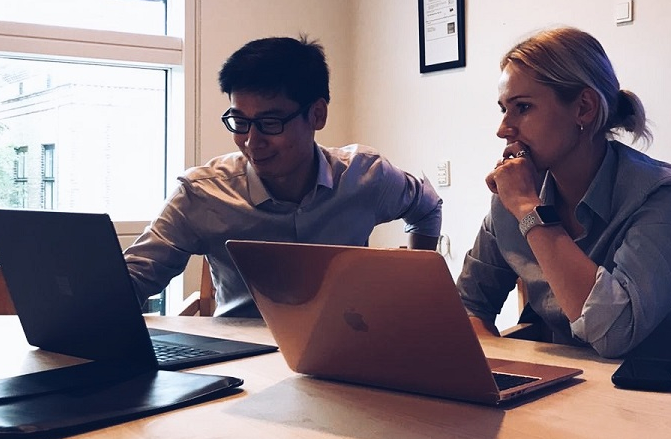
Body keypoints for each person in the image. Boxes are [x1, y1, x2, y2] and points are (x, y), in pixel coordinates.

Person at [457, 27, 671, 363]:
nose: (503, 129)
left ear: (584, 108)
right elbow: (468, 306)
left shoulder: (668, 197)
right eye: (503, 110)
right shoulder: (513, 198)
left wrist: (530, 211)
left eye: (523, 107)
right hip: (577, 385)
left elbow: (615, 335)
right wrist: (492, 369)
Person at [126, 35, 442, 318]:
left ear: (317, 114)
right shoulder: (202, 194)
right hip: (241, 354)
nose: (252, 142)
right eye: (240, 122)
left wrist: (412, 291)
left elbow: (427, 207)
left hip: (342, 349)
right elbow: (135, 278)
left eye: (270, 123)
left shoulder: (365, 176)